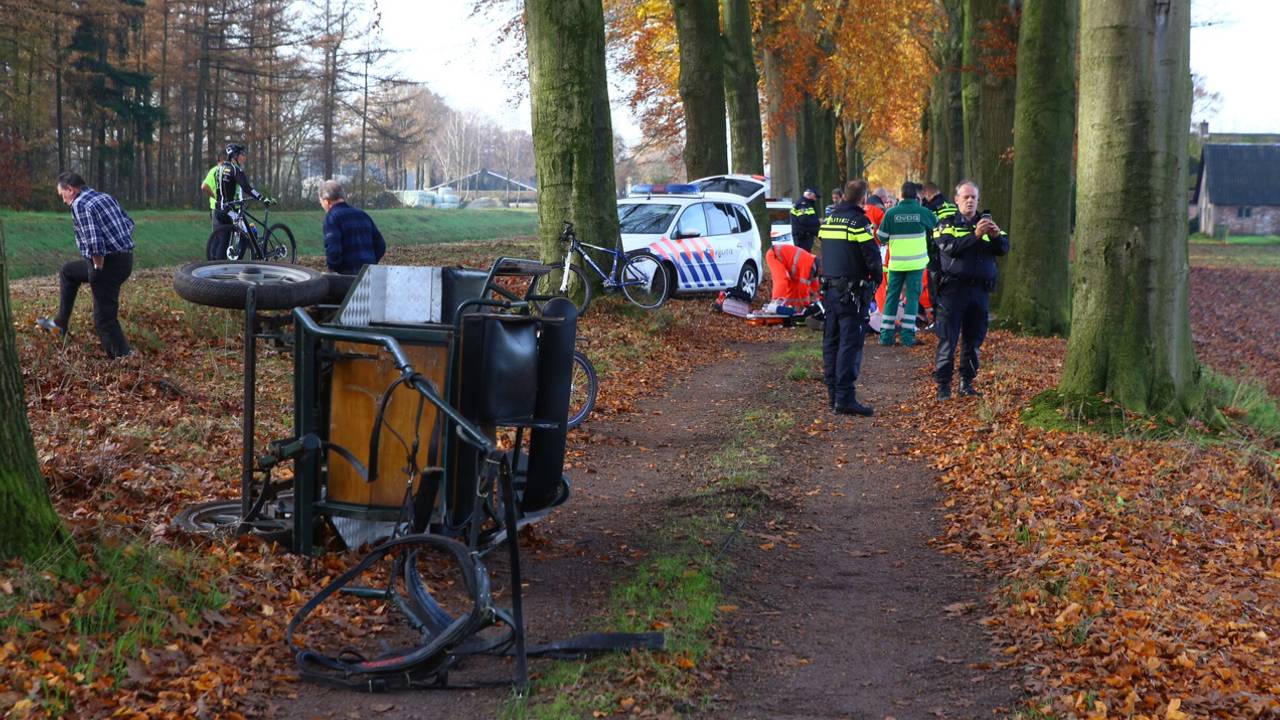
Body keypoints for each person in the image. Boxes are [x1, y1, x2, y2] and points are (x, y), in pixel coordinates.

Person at [36, 173, 135, 359]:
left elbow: (94, 242)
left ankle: (124, 361)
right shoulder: (105, 197)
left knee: (104, 319)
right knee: (68, 272)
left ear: (71, 190)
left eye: (62, 195)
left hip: (106, 264)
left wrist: (98, 266)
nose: (63, 201)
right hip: (125, 259)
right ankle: (59, 325)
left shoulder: (80, 204)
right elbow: (129, 224)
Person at [932, 180, 1010, 400]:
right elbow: (950, 248)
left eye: (973, 198)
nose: (969, 201)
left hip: (979, 292)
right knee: (948, 338)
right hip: (953, 291)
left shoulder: (986, 223)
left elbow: (1004, 248)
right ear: (956, 200)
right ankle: (943, 385)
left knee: (974, 339)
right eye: (965, 197)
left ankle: (966, 382)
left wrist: (995, 236)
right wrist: (975, 235)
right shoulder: (947, 223)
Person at [817, 179, 882, 417]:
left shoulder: (829, 220)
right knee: (849, 344)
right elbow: (871, 256)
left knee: (831, 342)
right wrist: (876, 278)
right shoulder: (858, 222)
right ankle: (845, 399)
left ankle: (833, 396)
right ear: (864, 199)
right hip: (852, 294)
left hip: (830, 292)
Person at [875, 181, 937, 346]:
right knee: (912, 299)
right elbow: (936, 225)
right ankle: (908, 336)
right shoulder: (922, 211)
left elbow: (881, 237)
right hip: (916, 266)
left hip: (896, 265)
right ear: (916, 196)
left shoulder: (891, 213)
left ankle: (886, 336)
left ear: (901, 195)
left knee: (891, 298)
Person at [206, 143, 269, 259]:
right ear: (234, 155)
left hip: (217, 210)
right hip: (230, 210)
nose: (244, 157)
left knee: (223, 242)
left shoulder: (219, 169)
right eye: (242, 155)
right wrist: (262, 198)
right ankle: (238, 263)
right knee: (249, 233)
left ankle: (215, 269)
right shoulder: (235, 170)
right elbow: (247, 188)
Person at [320, 179, 386, 275]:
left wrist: (334, 269)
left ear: (327, 201)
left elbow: (333, 250)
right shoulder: (363, 215)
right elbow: (381, 245)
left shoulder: (332, 217)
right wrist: (370, 263)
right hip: (368, 273)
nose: (322, 205)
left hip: (346, 275)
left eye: (321, 202)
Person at [920, 181, 958, 308]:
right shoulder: (952, 206)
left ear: (927, 193)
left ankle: (938, 317)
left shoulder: (930, 208)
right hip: (952, 251)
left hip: (934, 251)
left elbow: (927, 230)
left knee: (934, 286)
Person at [765, 241, 819, 308]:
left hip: (784, 259)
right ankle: (775, 304)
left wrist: (819, 298)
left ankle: (791, 307)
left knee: (794, 285)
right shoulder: (808, 265)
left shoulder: (814, 267)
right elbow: (802, 288)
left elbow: (815, 286)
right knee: (782, 281)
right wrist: (806, 305)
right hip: (774, 255)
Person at [789, 187, 822, 252]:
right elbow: (804, 221)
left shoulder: (807, 204)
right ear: (809, 194)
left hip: (805, 236)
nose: (815, 199)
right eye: (815, 197)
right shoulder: (802, 204)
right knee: (803, 257)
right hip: (802, 238)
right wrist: (818, 221)